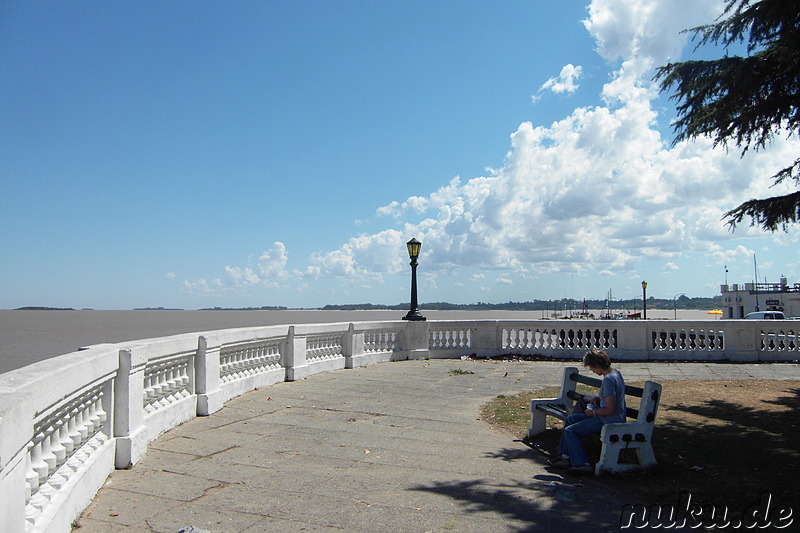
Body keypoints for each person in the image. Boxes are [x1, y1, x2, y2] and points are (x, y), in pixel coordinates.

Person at [547, 349, 626, 475]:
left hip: (609, 419)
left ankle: (582, 463)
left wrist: (593, 413)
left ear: (597, 365)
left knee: (570, 430)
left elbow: (610, 410)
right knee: (570, 419)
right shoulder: (615, 373)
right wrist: (598, 400)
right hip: (609, 415)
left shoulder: (608, 380)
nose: (592, 371)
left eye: (591, 368)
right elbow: (610, 399)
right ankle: (565, 457)